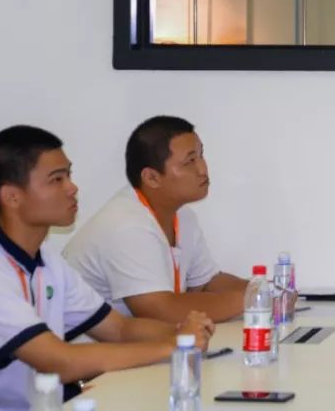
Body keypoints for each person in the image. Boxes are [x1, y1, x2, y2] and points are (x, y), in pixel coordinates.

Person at [0, 125, 213, 411]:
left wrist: (182, 333)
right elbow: (59, 362)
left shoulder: (46, 261)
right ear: (12, 197)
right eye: (56, 179)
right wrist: (172, 346)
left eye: (68, 175)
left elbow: (119, 329)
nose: (72, 188)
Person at [64, 116, 246, 324]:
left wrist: (265, 290)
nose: (203, 169)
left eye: (201, 155)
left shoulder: (183, 215)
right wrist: (252, 299)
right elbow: (159, 311)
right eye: (189, 161)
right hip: (86, 342)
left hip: (138, 340)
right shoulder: (125, 225)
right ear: (151, 178)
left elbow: (205, 283)